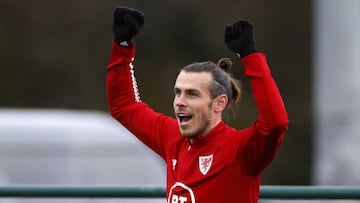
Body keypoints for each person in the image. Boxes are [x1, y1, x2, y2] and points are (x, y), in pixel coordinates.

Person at [106, 7, 289, 203]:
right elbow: (124, 106)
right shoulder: (172, 138)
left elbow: (275, 123)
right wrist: (122, 46)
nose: (180, 102)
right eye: (178, 92)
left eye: (192, 94)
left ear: (219, 103)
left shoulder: (240, 152)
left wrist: (250, 56)